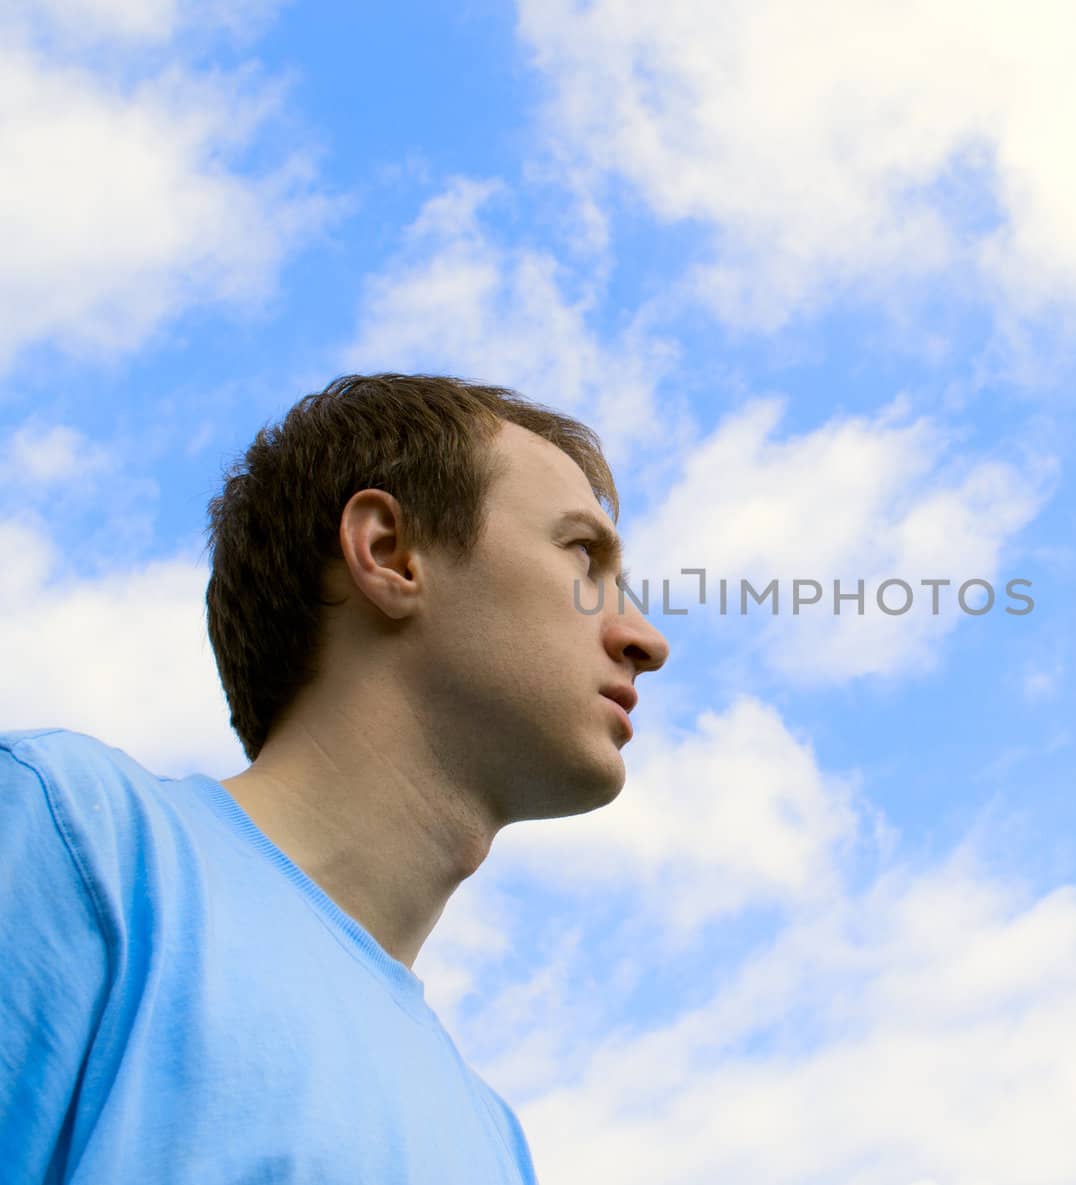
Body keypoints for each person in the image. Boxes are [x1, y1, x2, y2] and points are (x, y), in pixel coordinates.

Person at [0, 374, 670, 1183]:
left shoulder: (494, 1138)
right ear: (389, 554)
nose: (644, 638)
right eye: (582, 555)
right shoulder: (71, 836)